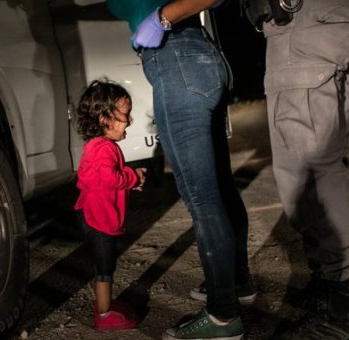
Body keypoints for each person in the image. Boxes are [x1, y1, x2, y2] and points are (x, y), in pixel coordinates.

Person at [106, 1, 255, 339]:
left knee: (202, 197)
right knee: (219, 188)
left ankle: (222, 316)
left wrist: (161, 19)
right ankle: (237, 282)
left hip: (176, 61)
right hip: (200, 58)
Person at [244, 0, 349, 338]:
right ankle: (327, 287)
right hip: (348, 18)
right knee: (325, 162)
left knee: (308, 174)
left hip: (309, 21)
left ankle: (333, 317)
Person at [74, 79, 147, 332]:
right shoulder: (103, 149)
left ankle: (105, 305)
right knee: (105, 268)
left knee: (104, 265)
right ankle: (104, 315)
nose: (129, 121)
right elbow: (109, 178)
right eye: (125, 115)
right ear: (105, 119)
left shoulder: (98, 147)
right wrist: (132, 177)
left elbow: (101, 179)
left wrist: (128, 180)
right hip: (98, 219)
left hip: (92, 215)